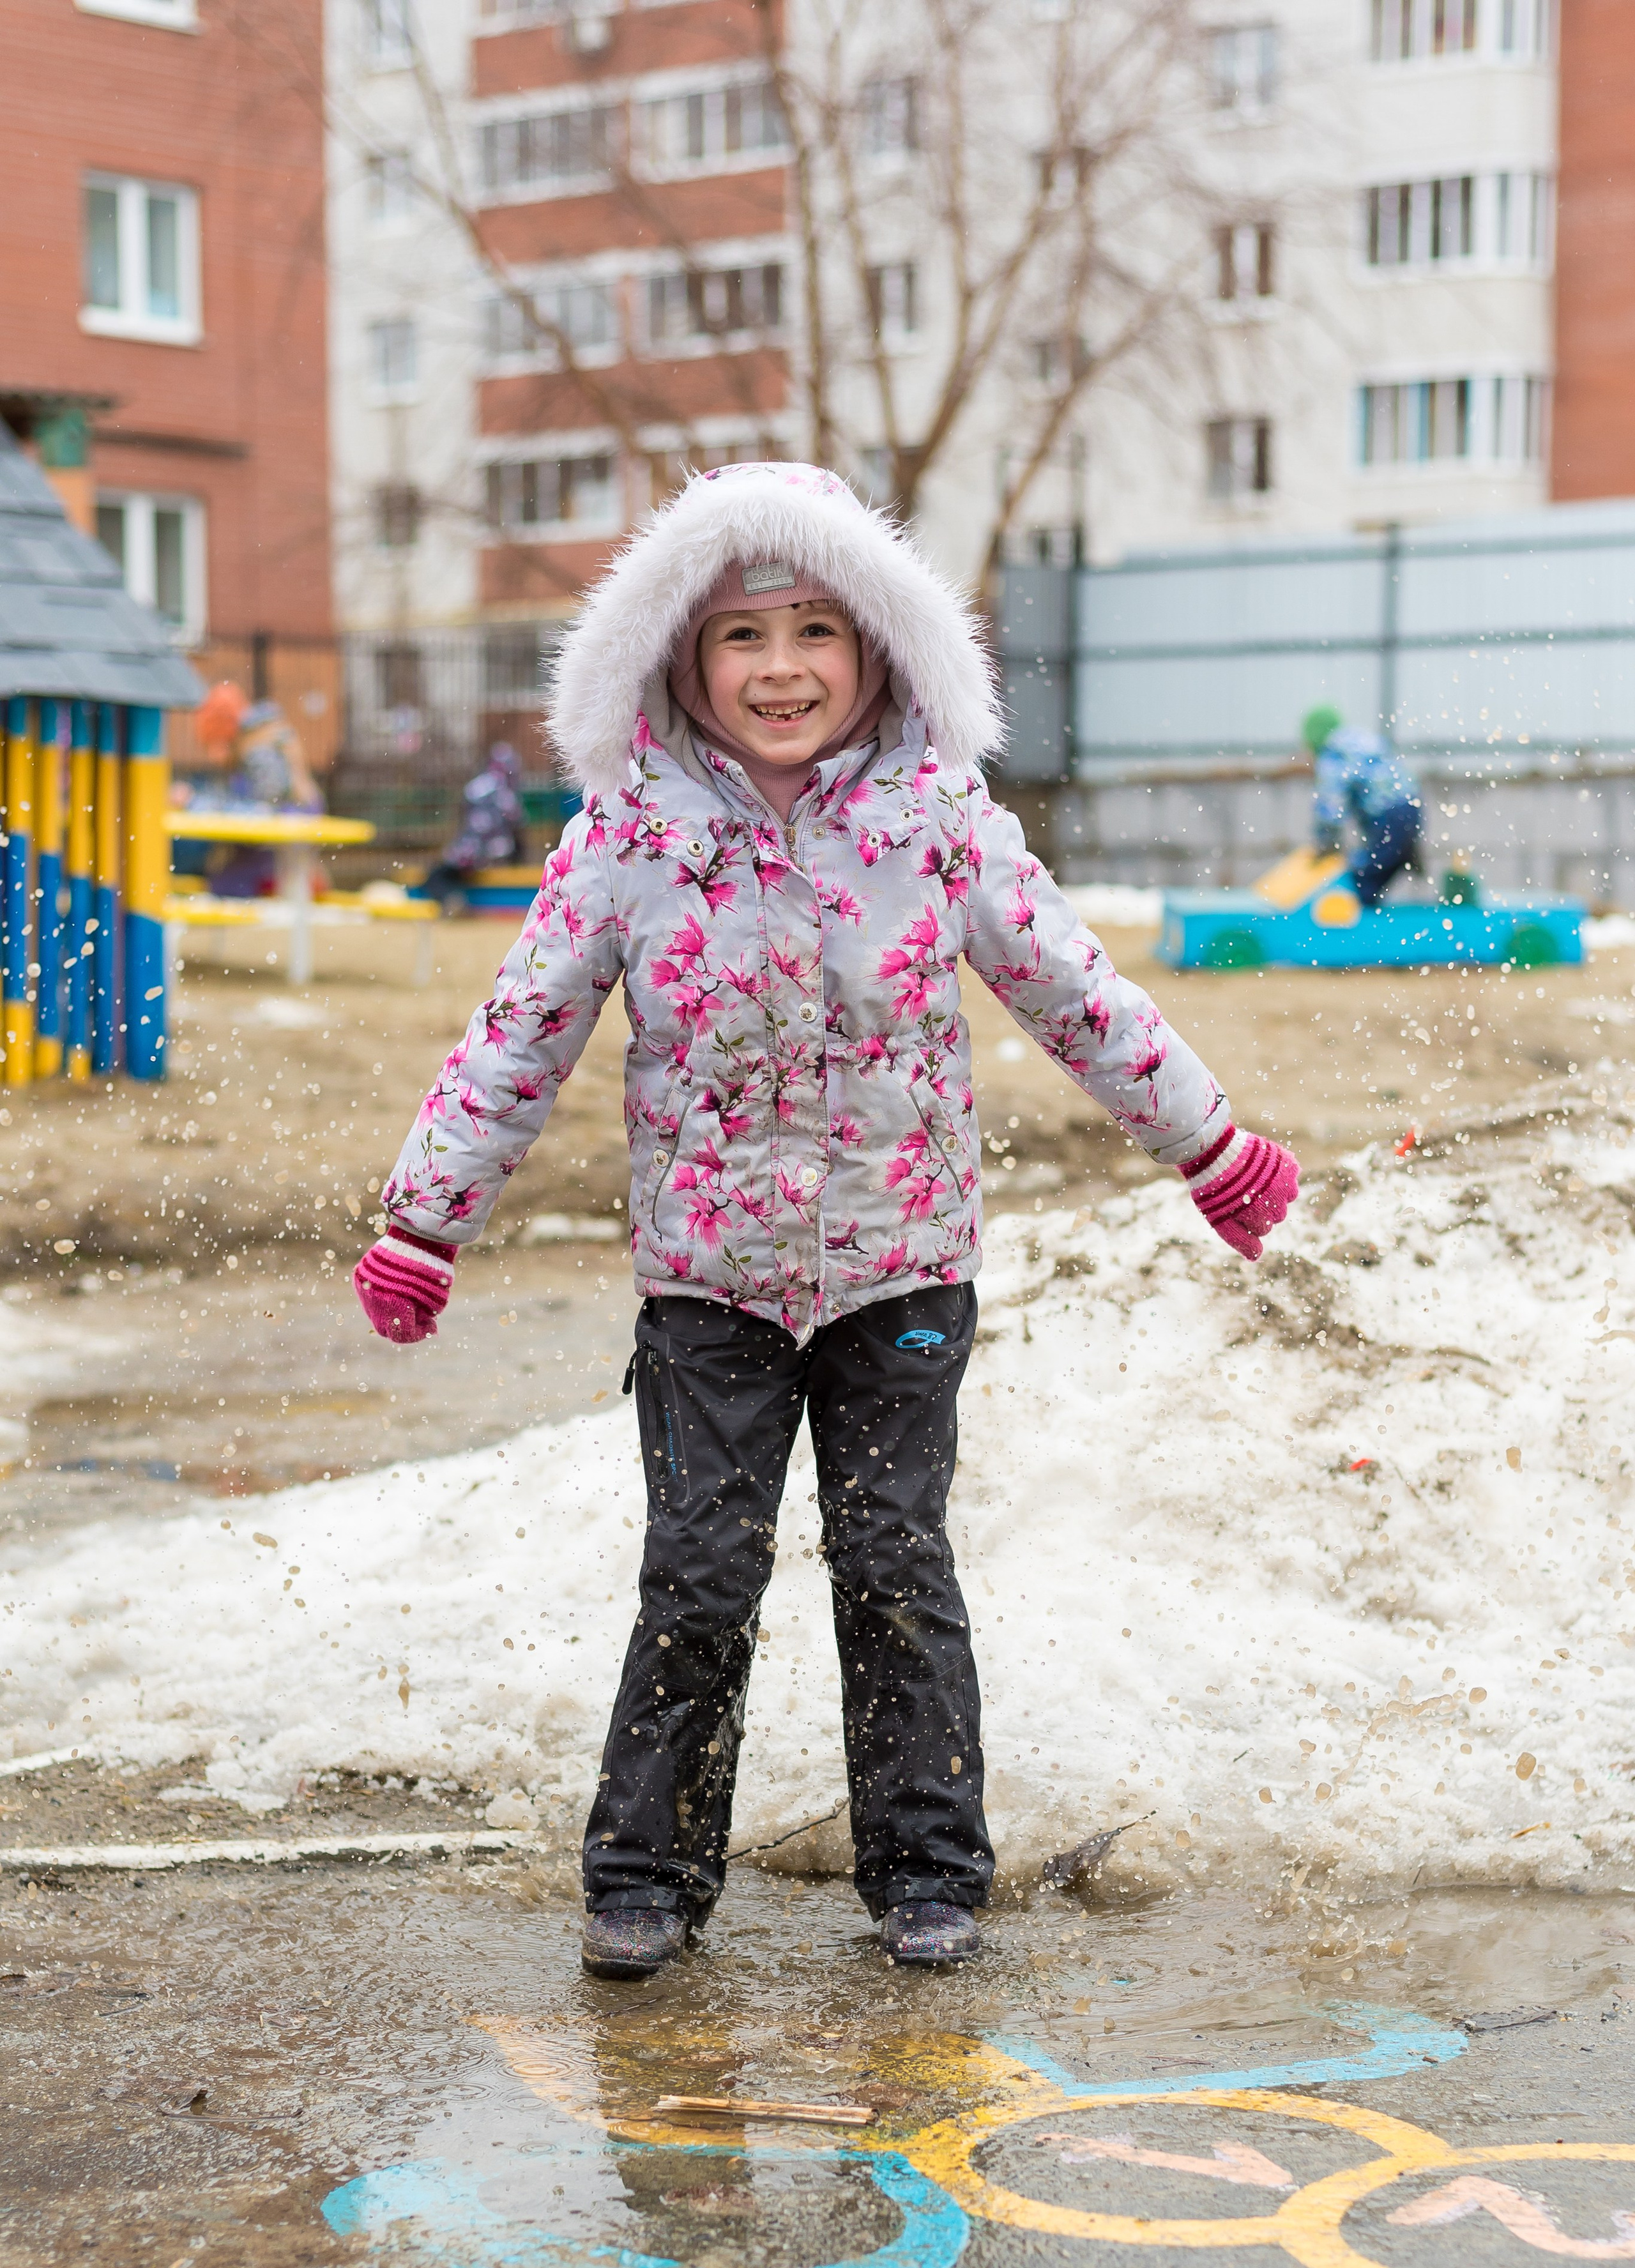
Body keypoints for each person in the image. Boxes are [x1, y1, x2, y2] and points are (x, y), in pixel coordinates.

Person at [352, 464, 1299, 1980]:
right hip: (708, 1282)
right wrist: (425, 1216)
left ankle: (925, 1864)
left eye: (812, 631)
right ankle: (645, 1871)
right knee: (702, 1567)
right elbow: (520, 1025)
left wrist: (1206, 1140)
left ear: (874, 648)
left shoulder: (935, 817)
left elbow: (1067, 983)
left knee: (891, 1557)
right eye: (739, 637)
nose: (778, 668)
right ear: (676, 656)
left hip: (898, 1265)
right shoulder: (630, 835)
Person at [1303, 704, 1424, 908]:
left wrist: (1326, 840)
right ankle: (1405, 852)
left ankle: (1363, 919)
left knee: (1363, 878)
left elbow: (1330, 804)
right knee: (1385, 860)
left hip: (1386, 815)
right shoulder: (1363, 739)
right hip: (1412, 806)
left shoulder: (1333, 754)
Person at [418, 742, 525, 913]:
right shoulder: (509, 793)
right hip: (501, 853)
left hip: (471, 852)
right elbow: (518, 827)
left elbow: (466, 821)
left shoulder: (476, 787)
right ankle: (456, 899)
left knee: (437, 875)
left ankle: (450, 898)